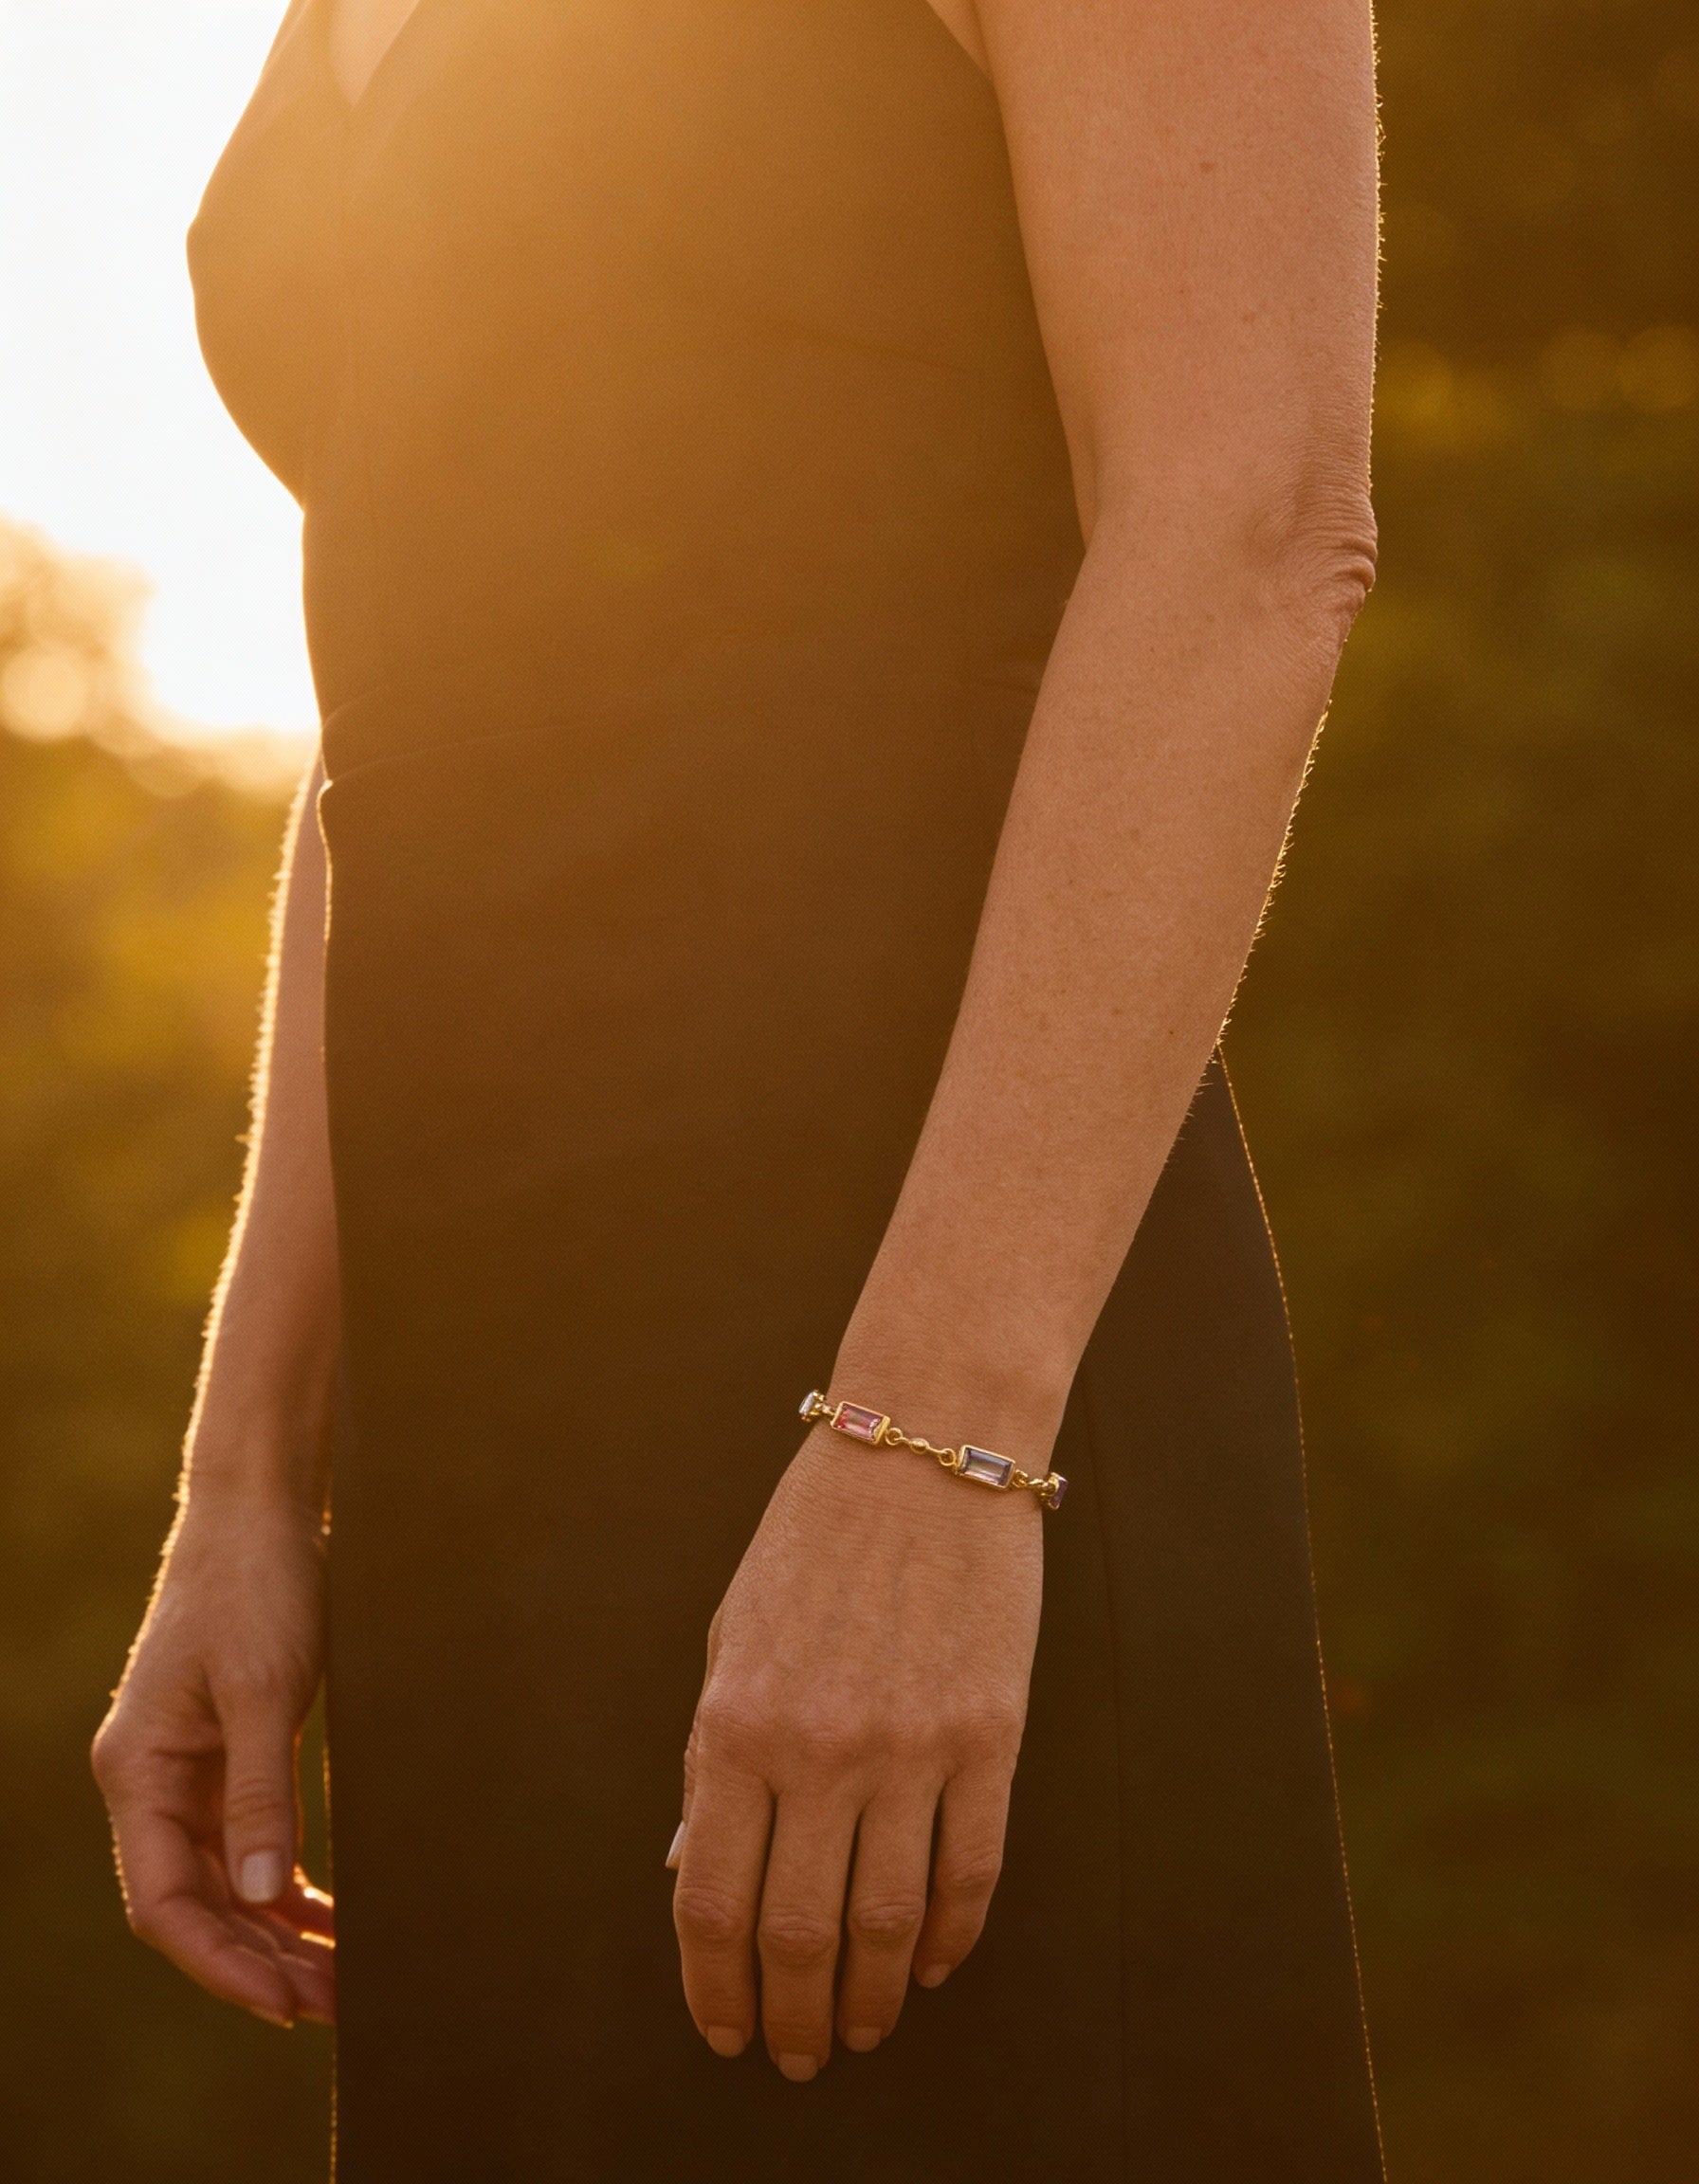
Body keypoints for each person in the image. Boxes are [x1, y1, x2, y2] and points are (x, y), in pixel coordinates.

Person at [93, 0, 1385, 2175]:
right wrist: (247, 1476)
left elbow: (1246, 527)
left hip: (931, 1363)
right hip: (477, 1452)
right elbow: (398, 738)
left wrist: (934, 1456)